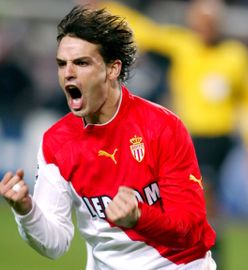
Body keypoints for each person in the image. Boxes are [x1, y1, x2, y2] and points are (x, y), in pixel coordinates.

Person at [0, 5, 216, 270]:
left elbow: (191, 230)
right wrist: (26, 210)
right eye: (61, 64)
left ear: (112, 69)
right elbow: (55, 244)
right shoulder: (56, 143)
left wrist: (139, 216)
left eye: (81, 63)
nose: (68, 72)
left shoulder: (162, 127)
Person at [104, 0, 248, 267]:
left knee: (203, 194)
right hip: (183, 137)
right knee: (179, 200)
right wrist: (106, 6)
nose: (203, 27)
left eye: (208, 22)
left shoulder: (235, 55)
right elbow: (145, 30)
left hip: (216, 139)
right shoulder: (184, 45)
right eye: (199, 21)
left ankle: (207, 253)